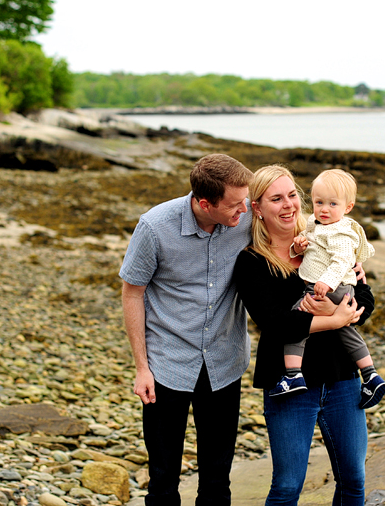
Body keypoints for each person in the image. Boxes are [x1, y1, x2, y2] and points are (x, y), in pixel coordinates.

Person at [234, 164, 375, 506]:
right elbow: (275, 323)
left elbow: (366, 298)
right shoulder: (251, 262)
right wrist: (334, 319)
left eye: (293, 195)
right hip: (288, 383)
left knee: (354, 481)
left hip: (343, 379)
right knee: (287, 486)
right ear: (258, 208)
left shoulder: (326, 239)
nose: (288, 205)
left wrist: (352, 305)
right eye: (276, 199)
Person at [119, 153, 254, 506]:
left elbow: (294, 231)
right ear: (204, 203)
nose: (244, 211)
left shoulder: (245, 212)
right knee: (163, 480)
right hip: (167, 365)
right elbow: (132, 292)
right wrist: (141, 368)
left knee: (217, 479)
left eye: (246, 201)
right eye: (234, 206)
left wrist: (350, 262)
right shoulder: (154, 227)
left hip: (225, 362)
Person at [272, 169, 385, 410]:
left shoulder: (341, 232)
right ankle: (371, 375)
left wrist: (327, 283)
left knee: (297, 322)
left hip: (329, 287)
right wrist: (299, 245)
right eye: (319, 202)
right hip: (334, 289)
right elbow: (314, 248)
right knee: (344, 330)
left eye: (332, 204)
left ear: (348, 207)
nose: (324, 209)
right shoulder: (318, 224)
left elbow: (341, 262)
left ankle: (293, 375)